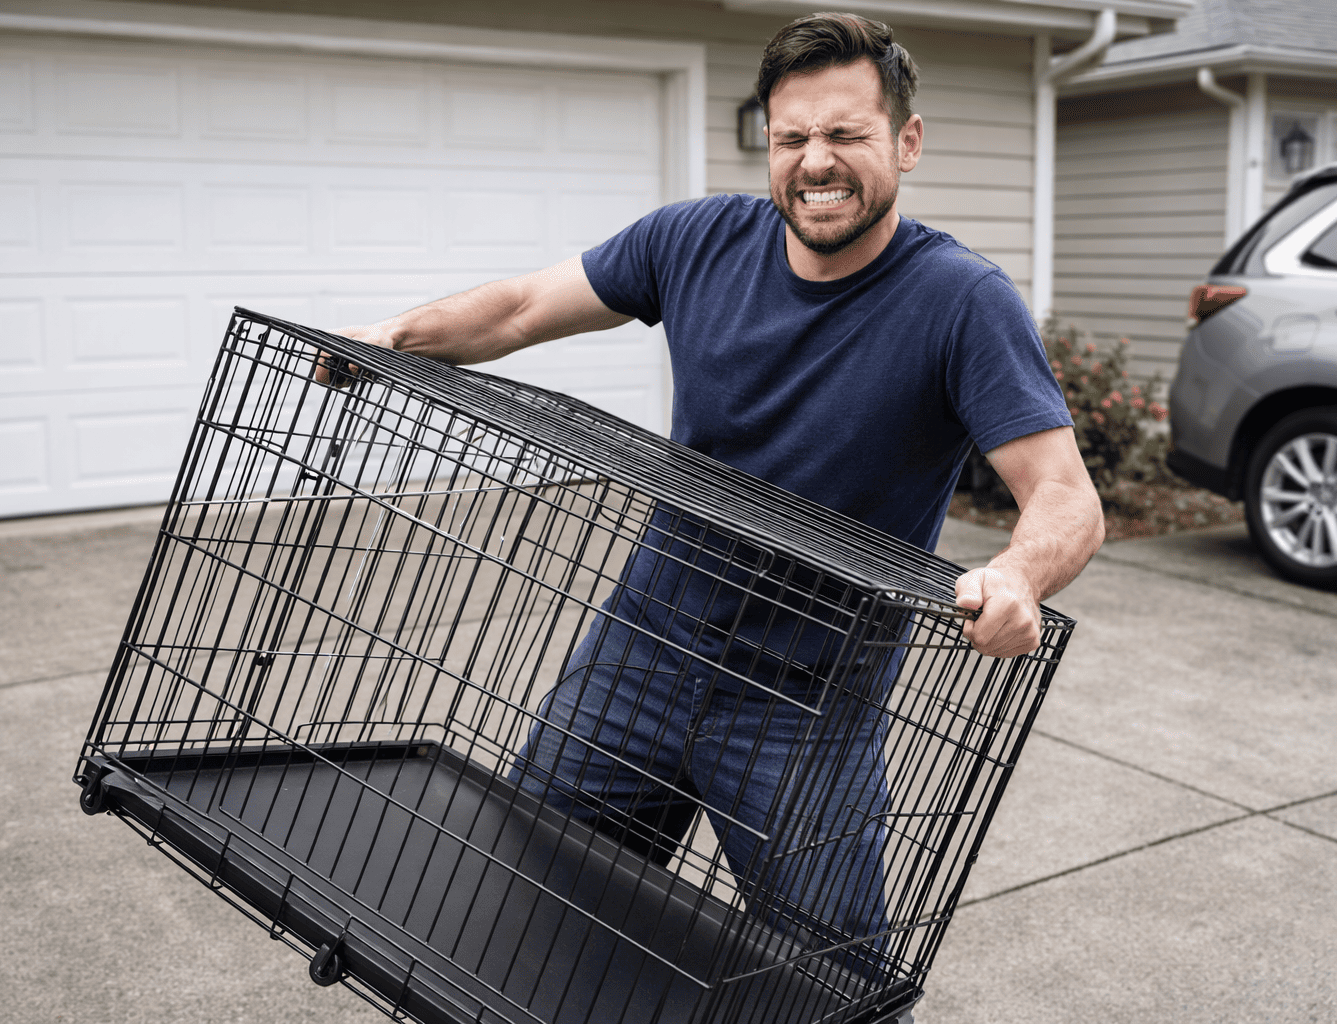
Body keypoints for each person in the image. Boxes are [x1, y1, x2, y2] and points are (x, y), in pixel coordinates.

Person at [323, 10, 1104, 998]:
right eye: (793, 138)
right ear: (768, 143)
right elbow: (521, 307)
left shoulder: (960, 302)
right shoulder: (696, 240)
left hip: (804, 703)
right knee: (528, 911)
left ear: (906, 140)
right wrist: (395, 334)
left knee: (832, 987)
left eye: (847, 134)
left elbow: (1066, 497)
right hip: (640, 654)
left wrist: (1019, 574)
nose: (817, 161)